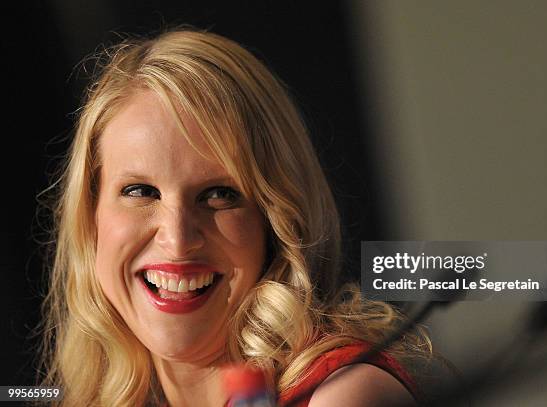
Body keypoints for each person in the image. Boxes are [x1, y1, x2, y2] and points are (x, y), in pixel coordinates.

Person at [38, 28, 432, 406]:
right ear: (90, 216)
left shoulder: (345, 395)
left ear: (276, 219)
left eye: (219, 195)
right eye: (141, 192)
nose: (177, 240)